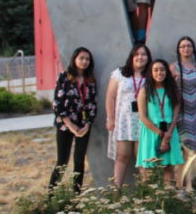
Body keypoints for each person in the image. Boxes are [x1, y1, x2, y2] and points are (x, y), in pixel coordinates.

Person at [50, 46, 98, 193]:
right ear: (74, 59)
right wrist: (70, 125)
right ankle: (52, 195)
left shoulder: (90, 80)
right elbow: (57, 102)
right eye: (81, 58)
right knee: (62, 162)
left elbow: (92, 103)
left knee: (79, 161)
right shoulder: (64, 77)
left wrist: (88, 124)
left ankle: (75, 195)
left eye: (87, 59)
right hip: (66, 125)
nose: (84, 62)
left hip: (83, 125)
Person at [105, 43, 152, 187]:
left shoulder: (151, 75)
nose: (140, 57)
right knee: (122, 156)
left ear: (148, 57)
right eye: (137, 54)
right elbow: (110, 97)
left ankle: (147, 192)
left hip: (143, 121)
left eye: (143, 54)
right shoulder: (120, 74)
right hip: (123, 121)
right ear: (131, 57)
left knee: (142, 158)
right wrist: (110, 118)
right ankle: (116, 191)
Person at [136, 59, 184, 186]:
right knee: (148, 167)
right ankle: (147, 198)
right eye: (155, 70)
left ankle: (168, 196)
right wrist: (160, 133)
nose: (159, 73)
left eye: (162, 69)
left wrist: (167, 134)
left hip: (170, 131)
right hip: (151, 131)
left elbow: (175, 115)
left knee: (168, 166)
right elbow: (142, 116)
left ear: (167, 72)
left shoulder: (173, 90)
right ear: (150, 73)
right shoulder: (145, 91)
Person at [170, 36, 196, 191]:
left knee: (192, 150)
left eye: (189, 46)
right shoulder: (173, 68)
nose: (186, 49)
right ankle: (183, 184)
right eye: (182, 46)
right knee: (184, 149)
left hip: (194, 113)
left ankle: (184, 182)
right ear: (178, 49)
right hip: (181, 114)